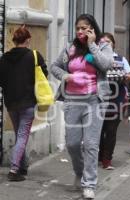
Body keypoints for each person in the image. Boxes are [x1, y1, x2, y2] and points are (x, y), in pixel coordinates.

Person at [51, 14, 113, 199]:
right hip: (72, 100)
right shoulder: (70, 48)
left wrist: (93, 44)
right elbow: (54, 67)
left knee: (92, 144)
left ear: (92, 29)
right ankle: (79, 172)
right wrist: (65, 76)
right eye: (78, 28)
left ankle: (89, 183)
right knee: (72, 143)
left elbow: (106, 65)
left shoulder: (103, 46)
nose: (80, 31)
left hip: (95, 100)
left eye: (84, 28)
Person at [0, 26, 48, 181]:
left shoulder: (4, 58)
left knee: (20, 134)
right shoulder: (34, 56)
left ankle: (23, 167)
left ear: (15, 40)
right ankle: (13, 170)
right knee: (23, 135)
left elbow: (0, 80)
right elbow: (44, 75)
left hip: (11, 102)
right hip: (27, 102)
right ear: (27, 40)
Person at [98, 32, 130, 170]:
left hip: (117, 97)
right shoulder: (96, 58)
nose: (105, 44)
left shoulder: (120, 59)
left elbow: (129, 75)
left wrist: (126, 77)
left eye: (108, 41)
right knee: (99, 129)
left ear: (113, 44)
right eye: (102, 42)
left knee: (111, 130)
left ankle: (107, 159)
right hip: (99, 97)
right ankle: (100, 155)